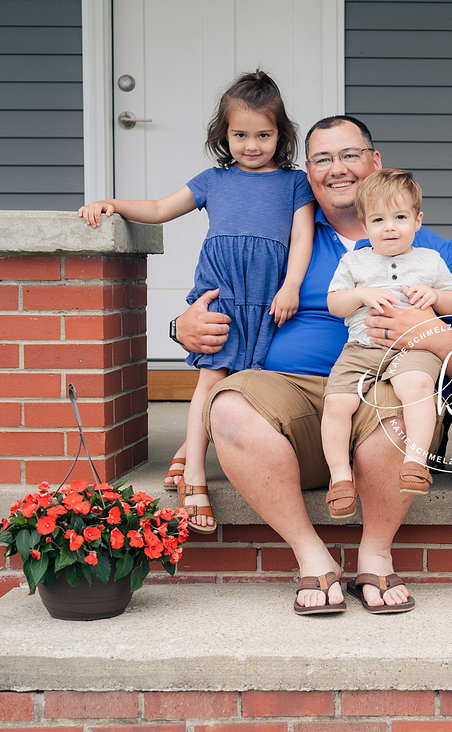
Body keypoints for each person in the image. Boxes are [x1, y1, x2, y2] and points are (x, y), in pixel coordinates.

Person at [171, 116, 452, 614]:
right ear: (307, 172)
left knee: (406, 407)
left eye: (349, 155)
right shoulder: (286, 238)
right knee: (229, 407)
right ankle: (310, 554)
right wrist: (182, 326)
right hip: (291, 393)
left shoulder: (433, 252)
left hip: (383, 386)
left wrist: (426, 330)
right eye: (322, 159)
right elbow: (226, 298)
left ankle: (375, 553)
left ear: (374, 162)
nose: (336, 169)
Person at [79, 70, 314, 534]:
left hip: (269, 298)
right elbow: (162, 209)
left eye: (264, 134)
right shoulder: (213, 180)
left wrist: (290, 287)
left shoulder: (295, 183)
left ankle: (190, 447)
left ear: (281, 134)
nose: (251, 145)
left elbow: (303, 238)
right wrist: (113, 203)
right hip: (223, 293)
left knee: (254, 380)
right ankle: (195, 474)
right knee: (213, 376)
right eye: (240, 134)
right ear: (224, 134)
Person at [323, 168, 452, 518]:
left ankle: (415, 462)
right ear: (364, 225)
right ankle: (340, 477)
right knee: (337, 402)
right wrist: (359, 293)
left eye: (400, 217)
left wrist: (433, 294)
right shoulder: (353, 261)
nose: (389, 227)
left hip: (414, 348)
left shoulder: (430, 259)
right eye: (379, 219)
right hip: (361, 349)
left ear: (417, 221)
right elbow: (334, 303)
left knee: (415, 385)